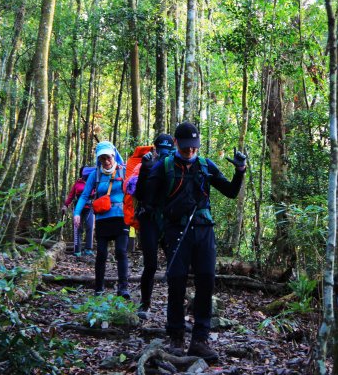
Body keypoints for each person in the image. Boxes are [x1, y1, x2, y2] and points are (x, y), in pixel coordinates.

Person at [144, 122, 246, 361]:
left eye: (194, 147)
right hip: (176, 231)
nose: (190, 151)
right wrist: (146, 172)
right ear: (177, 143)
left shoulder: (205, 165)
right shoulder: (164, 167)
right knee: (176, 281)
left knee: (206, 282)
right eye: (186, 147)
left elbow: (230, 192)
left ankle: (200, 340)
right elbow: (148, 201)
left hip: (204, 230)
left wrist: (240, 170)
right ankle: (176, 338)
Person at [73, 141, 131, 298]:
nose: (106, 161)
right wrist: (77, 213)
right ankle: (99, 288)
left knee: (121, 251)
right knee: (101, 253)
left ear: (113, 156)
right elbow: (85, 195)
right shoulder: (95, 174)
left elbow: (135, 187)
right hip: (103, 218)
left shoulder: (123, 171)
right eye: (102, 158)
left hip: (121, 217)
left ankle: (123, 288)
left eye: (108, 158)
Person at [134, 133, 174, 319]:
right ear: (155, 148)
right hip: (149, 218)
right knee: (150, 264)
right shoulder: (148, 164)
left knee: (174, 265)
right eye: (161, 148)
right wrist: (144, 169)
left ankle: (175, 308)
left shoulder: (176, 164)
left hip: (169, 220)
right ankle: (145, 304)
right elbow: (140, 194)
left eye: (167, 148)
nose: (163, 152)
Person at [62, 166, 95, 257]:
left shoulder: (94, 182)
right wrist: (65, 205)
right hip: (78, 208)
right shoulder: (77, 183)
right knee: (78, 228)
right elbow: (71, 195)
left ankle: (88, 249)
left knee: (90, 227)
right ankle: (77, 251)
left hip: (90, 208)